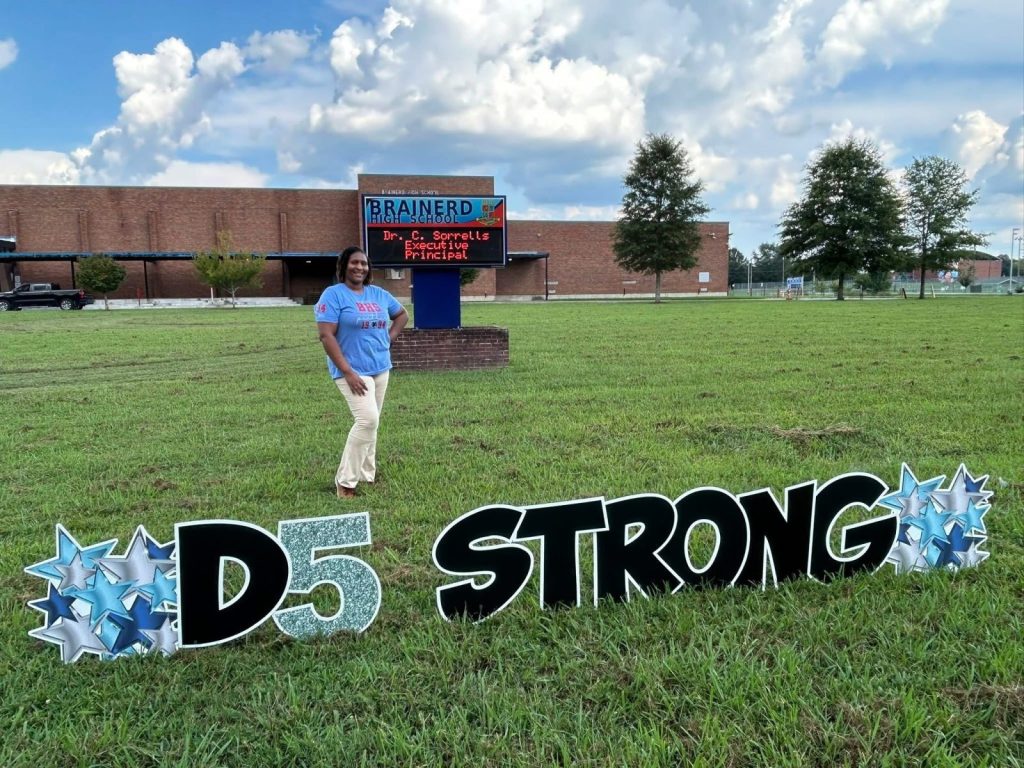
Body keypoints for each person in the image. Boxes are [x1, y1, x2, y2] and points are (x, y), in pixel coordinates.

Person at [315, 246, 408, 498]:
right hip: (351, 371)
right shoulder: (333, 295)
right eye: (354, 263)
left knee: (373, 423)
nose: (359, 267)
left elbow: (401, 315)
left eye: (364, 264)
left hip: (380, 367)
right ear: (344, 266)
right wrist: (347, 371)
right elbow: (326, 335)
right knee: (367, 420)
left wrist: (390, 337)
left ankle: (367, 474)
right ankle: (345, 482)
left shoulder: (378, 293)